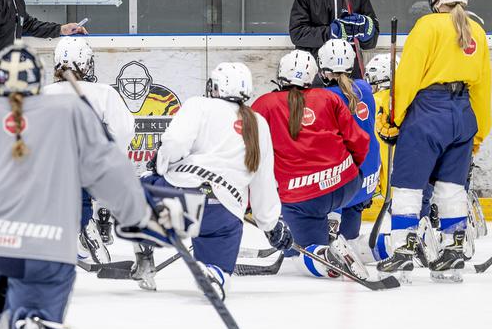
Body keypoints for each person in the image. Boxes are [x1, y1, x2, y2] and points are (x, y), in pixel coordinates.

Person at [0, 42, 200, 329]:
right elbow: (110, 175)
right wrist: (139, 215)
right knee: (38, 283)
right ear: (38, 83)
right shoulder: (69, 111)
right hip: (45, 247)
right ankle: (32, 324)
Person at [376, 0, 490, 282]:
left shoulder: (427, 26)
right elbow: (482, 88)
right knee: (451, 187)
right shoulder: (477, 32)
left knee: (408, 184)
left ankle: (403, 249)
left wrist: (392, 118)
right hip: (462, 116)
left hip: (428, 112)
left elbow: (408, 78)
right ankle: (453, 250)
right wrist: (477, 132)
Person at [146, 62, 292, 298]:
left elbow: (174, 143)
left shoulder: (199, 105)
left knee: (137, 194)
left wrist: (160, 164)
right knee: (219, 267)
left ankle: (144, 251)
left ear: (214, 86)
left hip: (181, 198)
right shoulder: (258, 123)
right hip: (224, 212)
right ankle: (215, 275)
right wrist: (270, 224)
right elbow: (262, 181)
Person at [251, 50, 371, 279]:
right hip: (346, 185)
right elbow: (359, 141)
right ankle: (351, 242)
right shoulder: (330, 97)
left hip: (303, 199)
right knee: (316, 212)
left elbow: (247, 152)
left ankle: (328, 259)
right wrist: (350, 172)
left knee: (301, 256)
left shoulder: (265, 105)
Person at [42, 36, 134, 268]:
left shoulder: (41, 93)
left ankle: (80, 230)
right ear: (85, 64)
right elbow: (124, 131)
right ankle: (97, 221)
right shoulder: (103, 93)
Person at [316, 39, 381, 260]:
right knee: (351, 229)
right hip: (370, 178)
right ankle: (350, 239)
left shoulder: (326, 97)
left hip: (346, 184)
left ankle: (328, 235)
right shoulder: (364, 88)